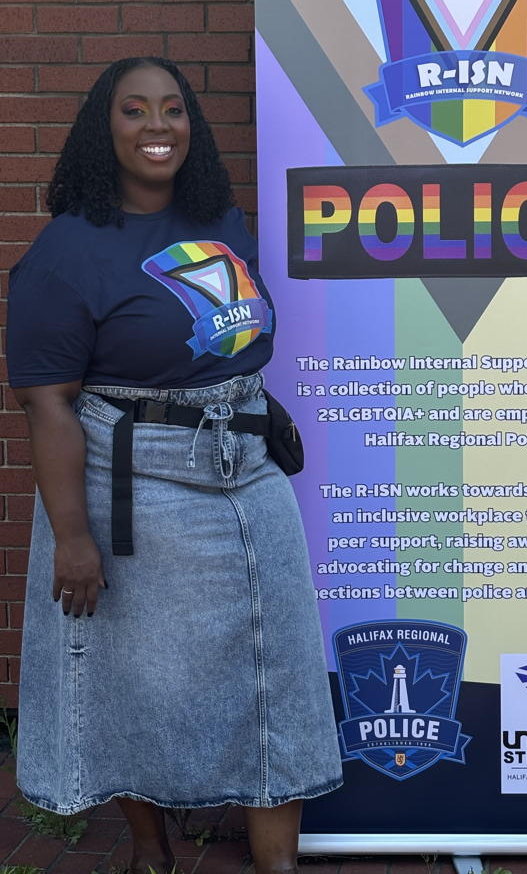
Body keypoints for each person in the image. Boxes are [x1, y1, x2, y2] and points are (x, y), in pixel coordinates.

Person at [6, 57, 343, 874]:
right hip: (133, 481)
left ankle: (278, 867)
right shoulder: (67, 251)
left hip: (247, 468)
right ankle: (151, 852)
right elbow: (47, 403)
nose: (158, 127)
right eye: (134, 111)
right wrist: (73, 537)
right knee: (137, 679)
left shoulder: (217, 217)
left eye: (173, 110)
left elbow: (239, 336)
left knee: (280, 673)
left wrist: (245, 405)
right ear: (104, 129)